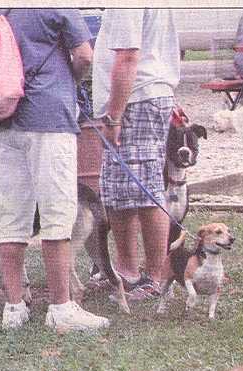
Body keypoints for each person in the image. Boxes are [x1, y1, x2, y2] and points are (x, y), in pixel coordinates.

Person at [0, 9, 108, 331]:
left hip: (0, 119)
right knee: (57, 213)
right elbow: (84, 56)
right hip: (48, 115)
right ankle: (61, 307)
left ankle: (14, 308)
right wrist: (67, 82)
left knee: (11, 215)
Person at [92, 9, 180, 300]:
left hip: (137, 98)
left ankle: (157, 277)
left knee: (146, 189)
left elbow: (128, 57)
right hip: (137, 96)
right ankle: (127, 272)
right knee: (118, 189)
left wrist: (114, 116)